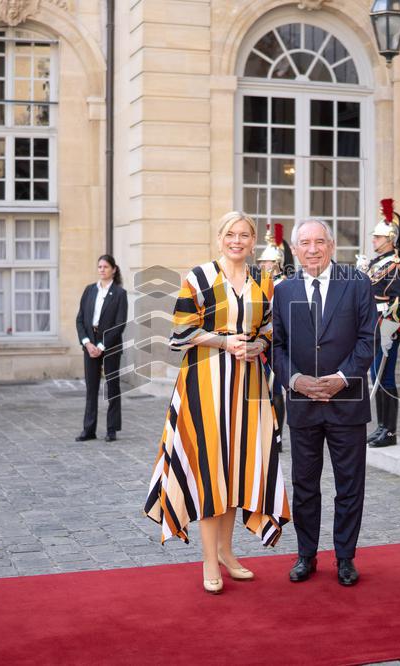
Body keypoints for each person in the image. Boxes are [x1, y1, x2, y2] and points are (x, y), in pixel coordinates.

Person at [144, 212, 290, 595]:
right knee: (211, 468)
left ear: (253, 240)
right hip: (205, 381)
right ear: (219, 237)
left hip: (250, 384)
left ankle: (226, 552)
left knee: (238, 468)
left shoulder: (264, 280)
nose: (237, 240)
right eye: (230, 234)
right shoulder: (200, 277)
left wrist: (257, 344)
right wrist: (225, 341)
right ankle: (209, 560)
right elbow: (181, 329)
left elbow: (272, 330)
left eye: (244, 235)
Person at [272, 219, 377, 587]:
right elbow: (278, 346)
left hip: (347, 401)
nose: (312, 249)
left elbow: (368, 340)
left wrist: (342, 379)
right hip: (302, 404)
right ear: (296, 249)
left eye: (319, 242)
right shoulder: (283, 291)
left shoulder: (357, 283)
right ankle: (306, 555)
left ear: (331, 246)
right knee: (305, 485)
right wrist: (296, 379)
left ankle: (345, 558)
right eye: (305, 243)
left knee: (349, 485)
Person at [363, 199, 400, 447]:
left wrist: (389, 331)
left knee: (386, 377)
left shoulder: (396, 265)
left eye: (378, 237)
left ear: (390, 239)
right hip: (372, 322)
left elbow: (397, 302)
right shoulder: (376, 263)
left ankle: (389, 431)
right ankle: (381, 426)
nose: (374, 240)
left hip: (385, 325)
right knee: (376, 376)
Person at [74, 255, 127, 442]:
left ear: (113, 269)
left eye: (105, 266)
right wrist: (87, 343)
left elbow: (120, 323)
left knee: (112, 387)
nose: (102, 269)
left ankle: (111, 429)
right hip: (90, 343)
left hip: (110, 345)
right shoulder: (89, 290)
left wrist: (101, 346)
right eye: (99, 266)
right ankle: (89, 430)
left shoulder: (120, 294)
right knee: (91, 388)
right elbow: (80, 319)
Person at [257, 223, 292, 452]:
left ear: (277, 262)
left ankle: (278, 435)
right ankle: (267, 430)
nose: (262, 264)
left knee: (276, 387)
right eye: (261, 261)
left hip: (278, 341)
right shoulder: (260, 283)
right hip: (262, 340)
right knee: (264, 389)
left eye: (266, 261)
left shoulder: (284, 285)